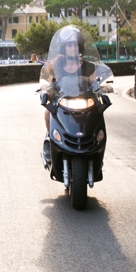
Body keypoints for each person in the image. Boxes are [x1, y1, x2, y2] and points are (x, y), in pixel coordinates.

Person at [39, 26, 99, 167]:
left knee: (97, 114)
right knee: (48, 113)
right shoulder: (57, 65)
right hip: (62, 102)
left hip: (84, 102)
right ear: (64, 48)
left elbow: (95, 85)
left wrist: (103, 87)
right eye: (69, 45)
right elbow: (49, 82)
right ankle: (50, 138)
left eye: (75, 45)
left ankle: (95, 145)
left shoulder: (89, 67)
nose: (73, 48)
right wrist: (47, 89)